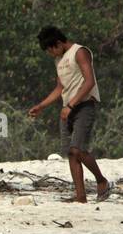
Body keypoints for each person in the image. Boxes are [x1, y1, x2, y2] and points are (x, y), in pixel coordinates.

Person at [27, 26, 111, 203]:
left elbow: (89, 82)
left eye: (50, 49)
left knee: (77, 149)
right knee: (71, 153)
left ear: (58, 43)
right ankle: (80, 197)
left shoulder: (79, 52)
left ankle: (101, 181)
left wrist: (71, 106)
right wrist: (41, 106)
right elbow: (60, 87)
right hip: (67, 109)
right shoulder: (58, 59)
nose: (50, 53)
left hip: (84, 106)